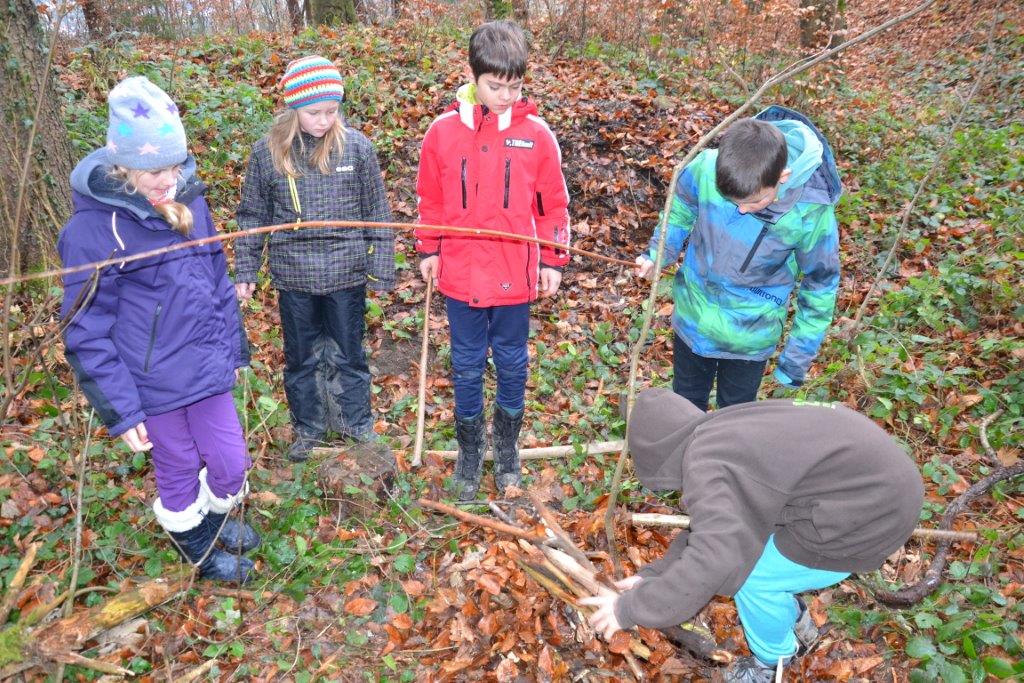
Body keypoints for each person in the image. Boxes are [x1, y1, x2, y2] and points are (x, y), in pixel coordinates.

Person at [58, 76, 259, 583]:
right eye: (153, 171)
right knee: (180, 463)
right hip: (151, 381)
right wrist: (122, 410)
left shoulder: (191, 201)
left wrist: (234, 349)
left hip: (205, 364)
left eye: (175, 165)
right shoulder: (93, 231)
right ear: (121, 166)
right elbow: (85, 329)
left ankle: (214, 516)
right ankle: (196, 542)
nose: (168, 180)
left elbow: (216, 277)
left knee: (230, 462)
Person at [581, 388, 924, 682]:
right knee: (757, 558)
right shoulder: (724, 432)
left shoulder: (705, 465)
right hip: (879, 486)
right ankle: (794, 622)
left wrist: (630, 610)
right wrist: (654, 575)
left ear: (654, 456)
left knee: (752, 576)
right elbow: (723, 527)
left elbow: (716, 558)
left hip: (871, 515)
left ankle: (773, 661)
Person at [415, 20, 571, 500]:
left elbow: (552, 205)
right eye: (495, 86)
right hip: (460, 275)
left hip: (513, 276)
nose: (505, 97)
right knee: (465, 364)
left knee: (511, 362)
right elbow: (430, 198)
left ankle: (506, 448)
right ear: (472, 76)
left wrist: (552, 260)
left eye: (514, 87)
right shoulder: (442, 133)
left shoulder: (537, 136)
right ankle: (469, 450)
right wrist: (429, 248)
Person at [234, 56, 396, 462]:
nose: (324, 120)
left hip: (346, 272)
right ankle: (309, 428)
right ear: (293, 108)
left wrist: (380, 265)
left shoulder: (356, 148)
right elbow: (253, 216)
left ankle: (354, 422)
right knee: (302, 357)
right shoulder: (268, 154)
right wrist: (247, 268)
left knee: (349, 352)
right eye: (314, 113)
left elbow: (377, 210)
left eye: (331, 111)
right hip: (295, 276)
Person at [635, 106, 841, 411]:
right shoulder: (706, 167)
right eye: (733, 202)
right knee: (684, 409)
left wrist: (796, 360)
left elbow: (820, 285)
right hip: (693, 320)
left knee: (734, 419)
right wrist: (658, 253)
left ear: (783, 177)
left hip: (749, 339)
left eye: (754, 202)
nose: (742, 210)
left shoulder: (810, 212)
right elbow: (680, 209)